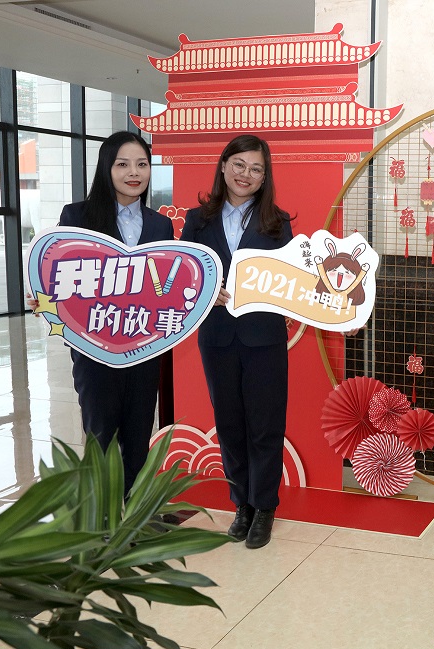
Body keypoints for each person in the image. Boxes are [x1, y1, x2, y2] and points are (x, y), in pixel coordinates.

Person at [29, 131, 173, 496]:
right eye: (123, 164)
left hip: (143, 348)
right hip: (94, 349)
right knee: (101, 437)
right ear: (106, 168)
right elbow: (57, 273)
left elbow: (164, 286)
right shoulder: (77, 216)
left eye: (142, 164)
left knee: (139, 436)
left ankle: (134, 515)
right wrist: (42, 299)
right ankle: (101, 517)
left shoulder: (160, 224)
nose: (133, 173)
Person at [180, 134, 293, 549]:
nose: (247, 174)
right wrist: (207, 290)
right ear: (224, 165)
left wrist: (339, 312)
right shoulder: (197, 219)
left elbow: (294, 283)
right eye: (240, 165)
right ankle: (241, 504)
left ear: (265, 177)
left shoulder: (278, 222)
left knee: (265, 424)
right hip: (217, 336)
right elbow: (185, 274)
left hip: (263, 337)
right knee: (229, 424)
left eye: (256, 169)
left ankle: (264, 506)